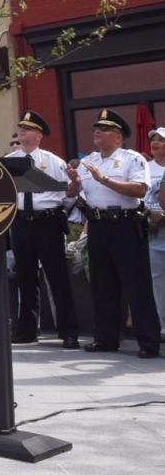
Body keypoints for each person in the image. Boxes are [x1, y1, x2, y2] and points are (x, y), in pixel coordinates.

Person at [65, 109, 159, 357]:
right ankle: (106, 339)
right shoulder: (90, 161)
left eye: (104, 129)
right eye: (96, 129)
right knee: (102, 286)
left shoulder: (132, 159)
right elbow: (73, 194)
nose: (97, 132)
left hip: (125, 225)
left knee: (136, 286)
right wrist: (74, 181)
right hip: (98, 225)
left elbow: (139, 190)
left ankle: (148, 342)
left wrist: (105, 180)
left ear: (118, 136)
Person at [3, 110, 80, 348]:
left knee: (57, 276)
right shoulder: (11, 159)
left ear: (38, 135)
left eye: (27, 129)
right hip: (21, 221)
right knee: (25, 276)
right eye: (20, 128)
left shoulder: (52, 161)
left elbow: (69, 192)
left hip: (47, 221)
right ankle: (26, 330)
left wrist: (76, 183)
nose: (21, 131)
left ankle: (68, 331)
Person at [145, 127, 165, 343]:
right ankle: (162, 327)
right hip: (153, 232)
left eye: (161, 140)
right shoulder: (145, 168)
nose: (155, 143)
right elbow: (140, 196)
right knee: (158, 281)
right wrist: (152, 215)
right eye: (154, 139)